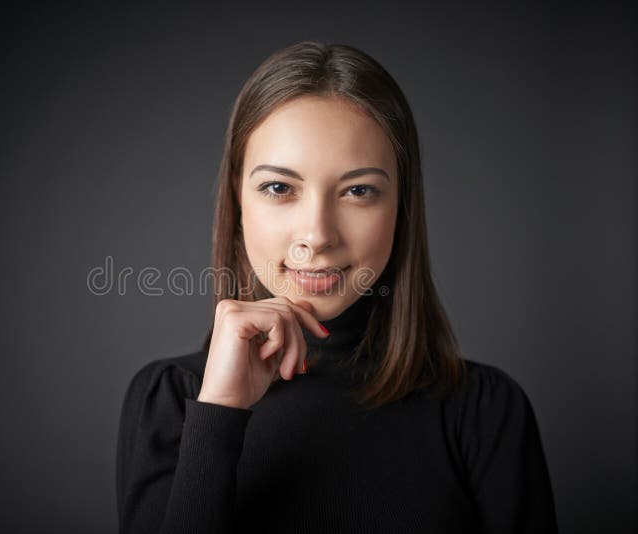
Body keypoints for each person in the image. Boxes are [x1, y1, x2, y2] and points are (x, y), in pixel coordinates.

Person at [115, 40, 558, 533]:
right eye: (279, 188)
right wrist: (217, 412)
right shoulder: (171, 400)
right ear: (238, 198)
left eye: (358, 191)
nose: (317, 236)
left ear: (401, 206)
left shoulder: (484, 411)